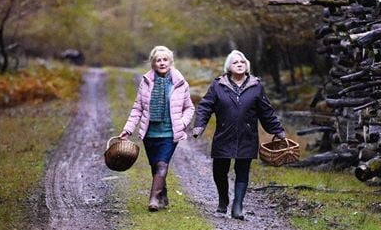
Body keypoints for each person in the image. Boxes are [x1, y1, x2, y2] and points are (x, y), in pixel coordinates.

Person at [192, 50, 286, 220]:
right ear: (229, 67)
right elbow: (205, 106)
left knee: (243, 170)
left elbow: (266, 111)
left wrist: (278, 130)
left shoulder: (256, 86)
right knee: (219, 170)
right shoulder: (218, 85)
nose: (240, 64)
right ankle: (223, 200)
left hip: (247, 135)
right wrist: (199, 125)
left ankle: (238, 206)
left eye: (242, 61)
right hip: (224, 134)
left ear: (247, 65)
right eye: (235, 62)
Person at [119, 46, 195, 211]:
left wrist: (182, 123)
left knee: (162, 165)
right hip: (150, 133)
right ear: (153, 63)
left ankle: (153, 199)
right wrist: (128, 129)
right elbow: (137, 108)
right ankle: (163, 196)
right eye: (158, 60)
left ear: (170, 62)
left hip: (170, 133)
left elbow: (189, 108)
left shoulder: (180, 83)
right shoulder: (146, 82)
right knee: (155, 166)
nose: (162, 63)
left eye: (165, 60)